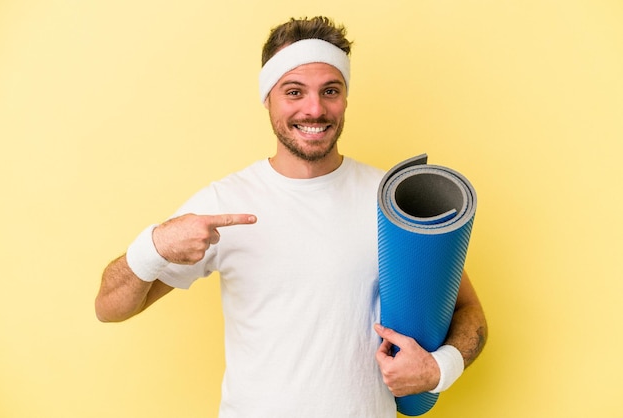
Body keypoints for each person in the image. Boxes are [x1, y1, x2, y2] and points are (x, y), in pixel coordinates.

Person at [95, 16, 487, 418]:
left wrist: (439, 368)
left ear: (346, 98)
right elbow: (110, 306)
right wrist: (156, 244)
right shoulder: (224, 202)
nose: (314, 109)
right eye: (294, 91)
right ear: (268, 98)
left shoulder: (390, 197)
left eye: (330, 91)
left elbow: (469, 312)